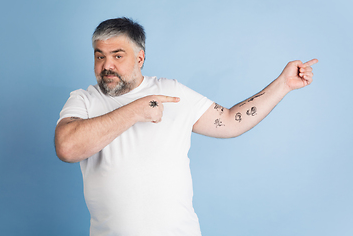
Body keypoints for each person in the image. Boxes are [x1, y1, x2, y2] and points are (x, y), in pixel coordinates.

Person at [55, 17, 318, 236]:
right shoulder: (84, 100)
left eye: (117, 55)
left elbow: (229, 121)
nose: (106, 65)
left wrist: (283, 84)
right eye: (99, 56)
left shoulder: (171, 92)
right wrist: (135, 110)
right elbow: (67, 147)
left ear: (140, 58)